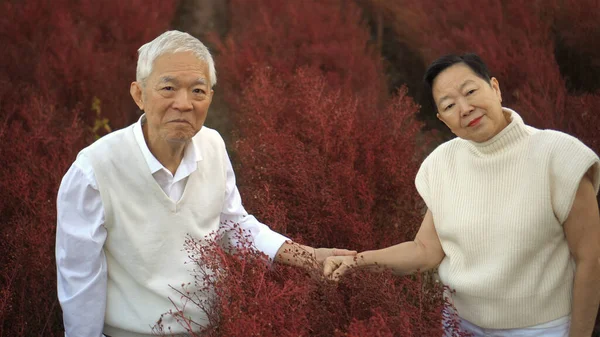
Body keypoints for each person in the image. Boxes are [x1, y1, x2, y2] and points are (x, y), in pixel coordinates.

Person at [56, 30, 355, 337]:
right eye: (168, 88)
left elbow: (231, 225)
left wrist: (309, 257)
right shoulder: (94, 170)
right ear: (138, 94)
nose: (184, 104)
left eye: (198, 91)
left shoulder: (212, 145)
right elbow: (80, 280)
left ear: (210, 97)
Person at [324, 53, 600, 337]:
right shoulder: (441, 164)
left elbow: (590, 259)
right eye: (449, 105)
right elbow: (425, 250)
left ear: (495, 88)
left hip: (543, 329)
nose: (465, 108)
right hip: (460, 326)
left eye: (470, 91)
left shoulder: (560, 156)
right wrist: (358, 261)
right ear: (442, 119)